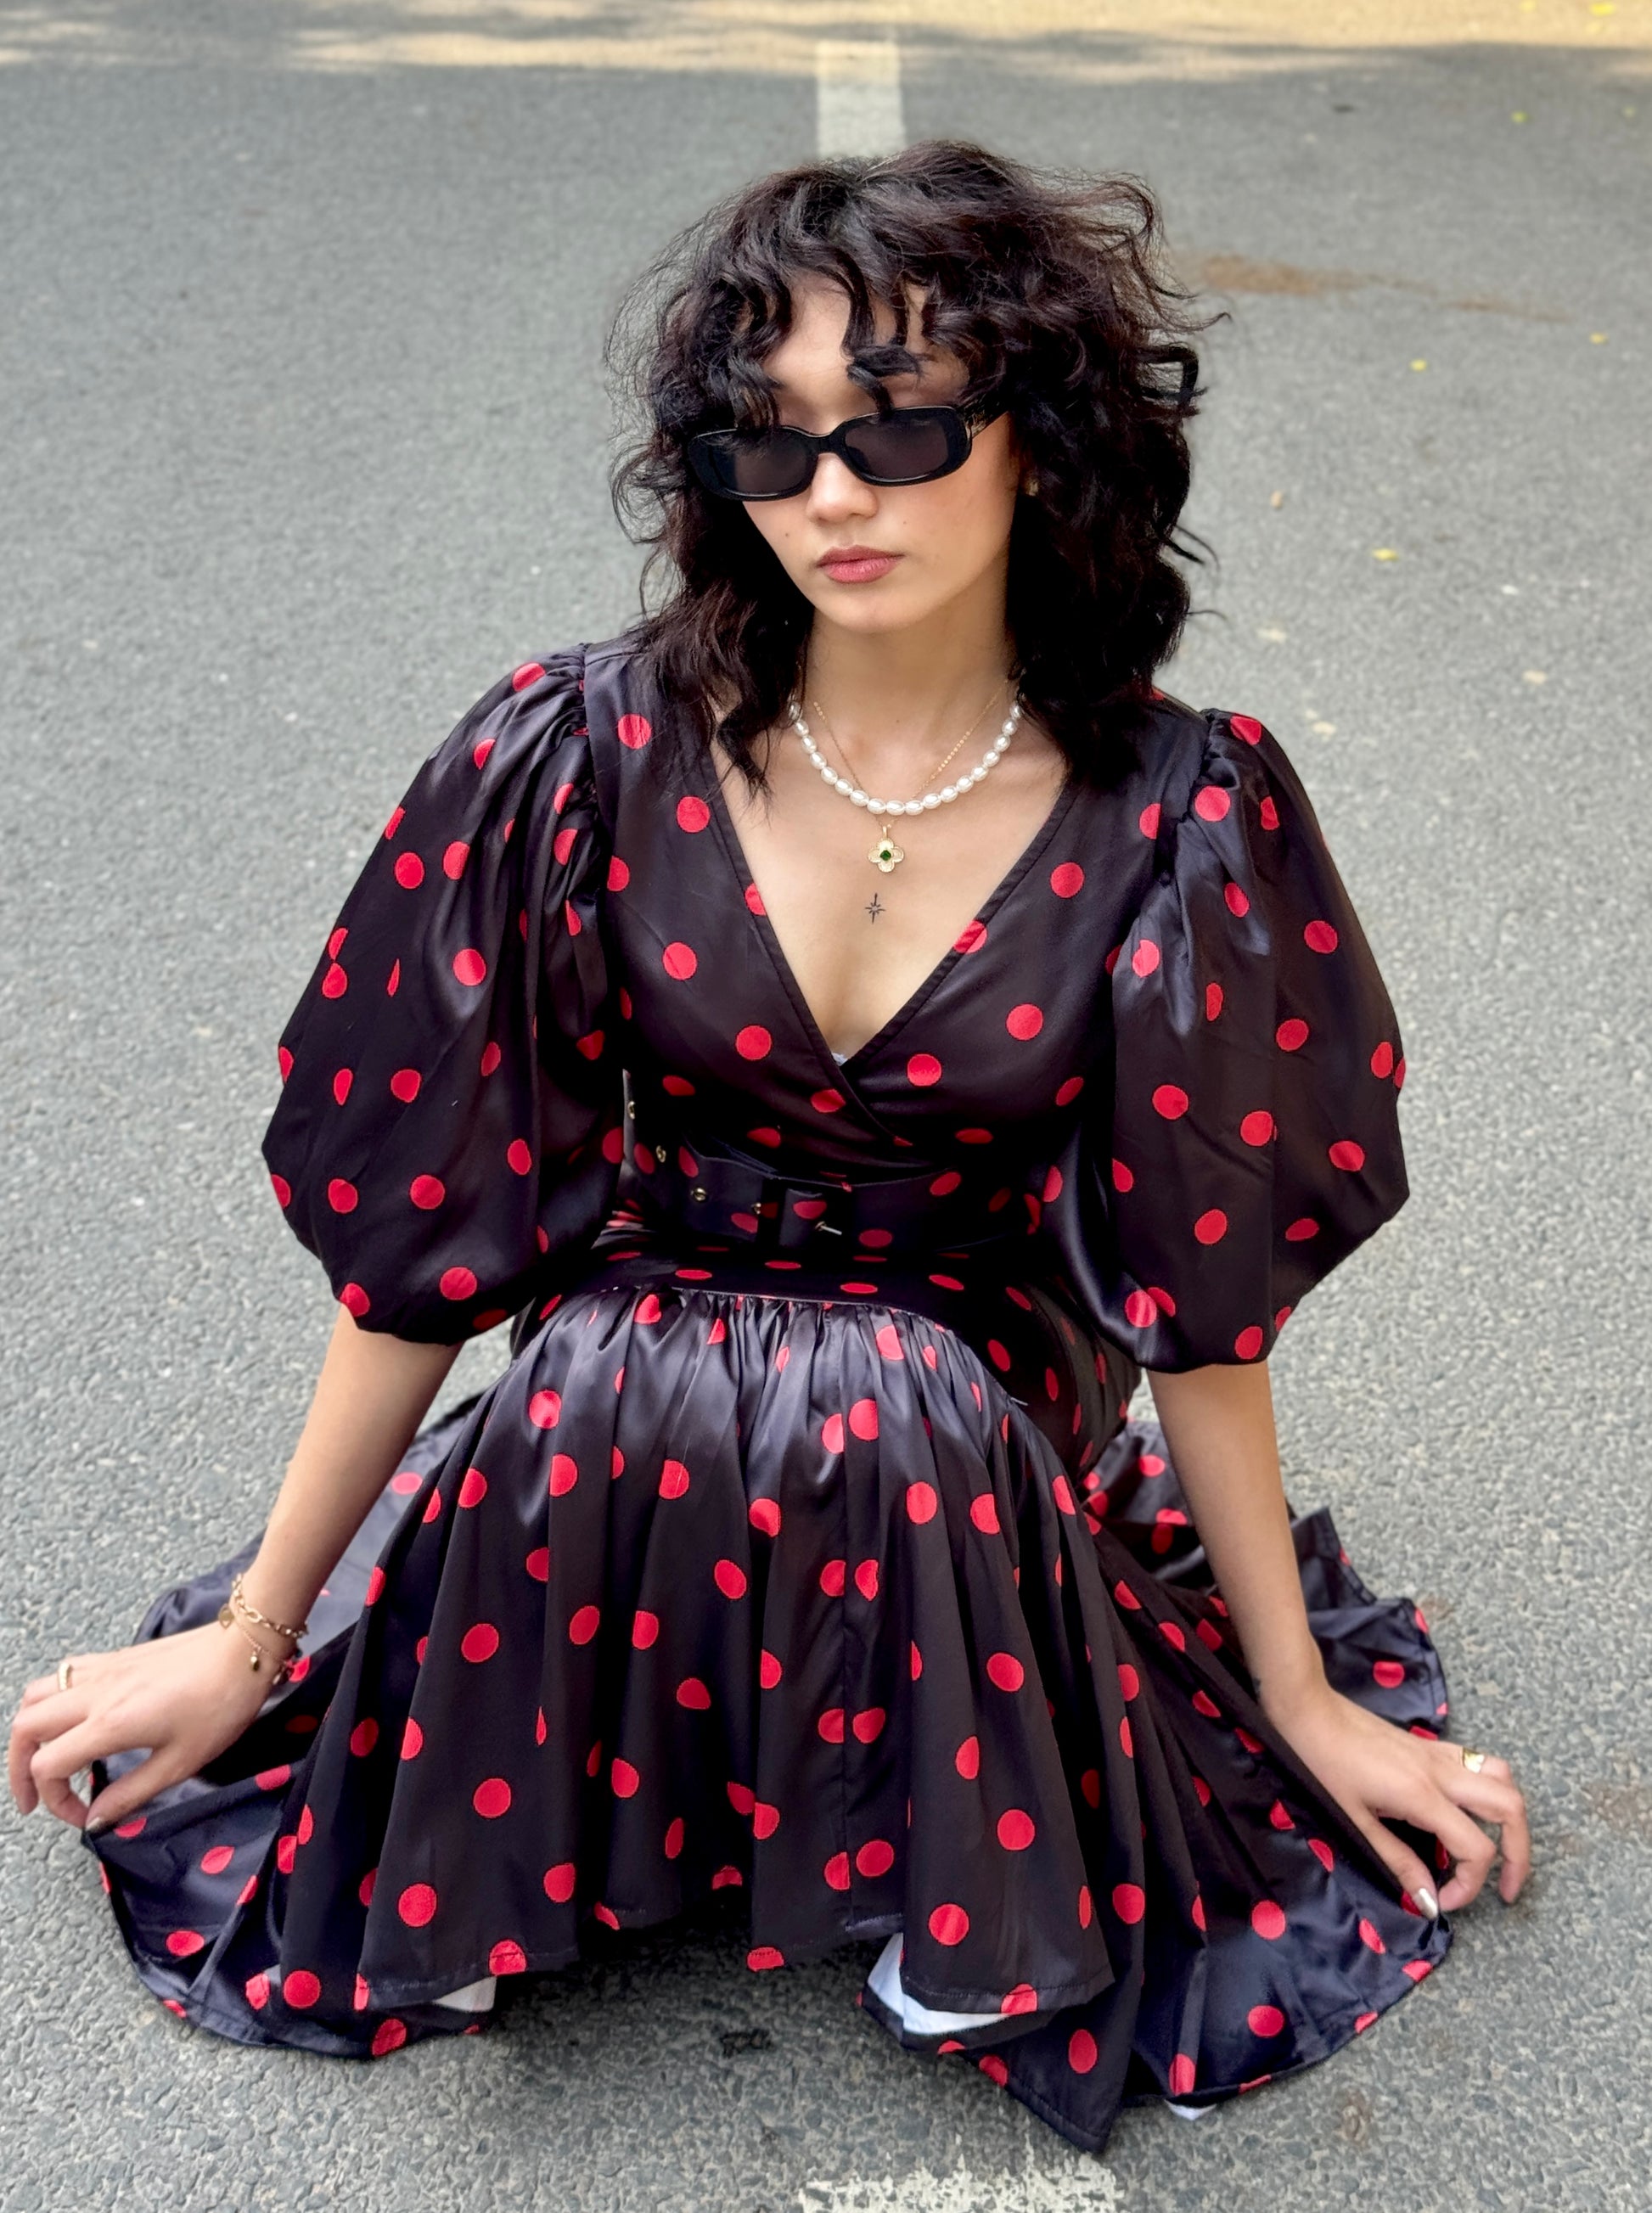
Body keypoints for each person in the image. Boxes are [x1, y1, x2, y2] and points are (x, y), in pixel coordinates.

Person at [8, 140, 1528, 2155]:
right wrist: (256, 1628)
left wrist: (1292, 1689)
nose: (833, 493)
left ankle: (943, 1857)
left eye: (900, 426)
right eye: (771, 439)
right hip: (644, 1352)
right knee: (598, 1366)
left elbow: (1198, 1302)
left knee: (879, 1389)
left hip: (971, 1371)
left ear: (1040, 440)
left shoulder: (1179, 810)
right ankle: (517, 1829)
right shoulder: (578, 751)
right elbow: (434, 1238)